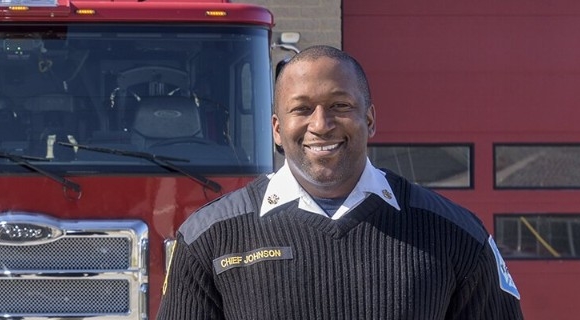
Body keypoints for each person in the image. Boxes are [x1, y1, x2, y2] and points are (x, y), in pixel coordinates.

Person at [157, 45, 524, 319]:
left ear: (370, 119)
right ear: (277, 129)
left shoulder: (455, 235)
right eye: (302, 109)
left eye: (340, 106)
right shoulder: (209, 238)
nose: (321, 124)